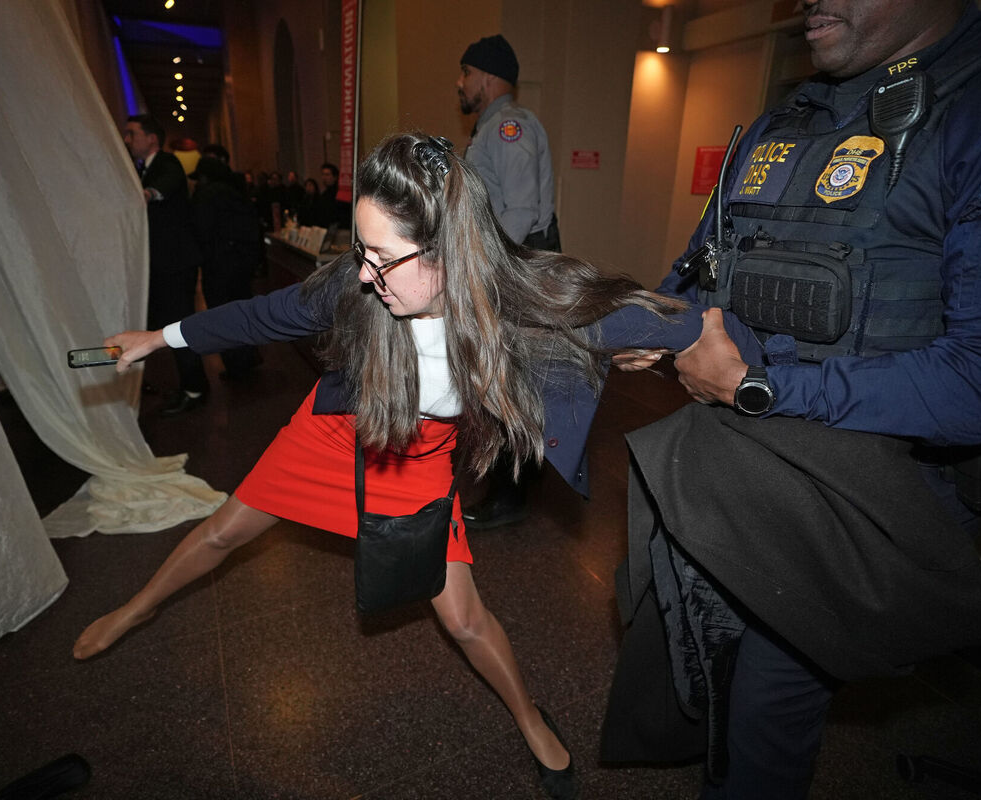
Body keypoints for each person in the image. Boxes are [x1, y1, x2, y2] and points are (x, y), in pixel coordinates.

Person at [73, 132, 750, 799]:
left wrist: (709, 355)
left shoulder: (522, 302)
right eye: (362, 251)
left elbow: (675, 321)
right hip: (337, 430)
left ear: (448, 251)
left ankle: (527, 717)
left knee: (461, 617)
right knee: (225, 530)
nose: (365, 273)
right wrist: (158, 338)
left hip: (418, 456)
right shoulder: (358, 287)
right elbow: (260, 315)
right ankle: (136, 609)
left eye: (381, 256)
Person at [604, 2, 981, 798]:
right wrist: (654, 324)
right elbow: (703, 270)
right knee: (706, 655)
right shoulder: (789, 115)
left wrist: (755, 388)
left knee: (769, 699)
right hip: (753, 461)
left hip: (878, 487)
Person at [455, 34, 561, 530]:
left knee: (504, 380)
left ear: (488, 77)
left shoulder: (508, 128)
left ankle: (508, 495)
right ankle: (520, 476)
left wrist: (487, 268)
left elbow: (519, 211)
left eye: (466, 73)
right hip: (514, 264)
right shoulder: (494, 127)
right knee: (510, 377)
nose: (461, 83)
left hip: (511, 267)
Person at [122, 113, 209, 416]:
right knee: (166, 327)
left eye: (132, 134)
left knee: (179, 328)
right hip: (162, 265)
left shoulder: (167, 163)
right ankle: (187, 384)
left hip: (175, 264)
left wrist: (146, 193)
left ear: (152, 139)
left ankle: (196, 389)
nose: (127, 140)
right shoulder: (142, 168)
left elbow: (166, 185)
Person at [189, 155, 264, 380]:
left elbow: (201, 230)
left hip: (219, 267)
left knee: (222, 316)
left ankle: (236, 366)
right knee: (241, 313)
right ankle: (248, 358)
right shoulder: (233, 192)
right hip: (239, 265)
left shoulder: (206, 196)